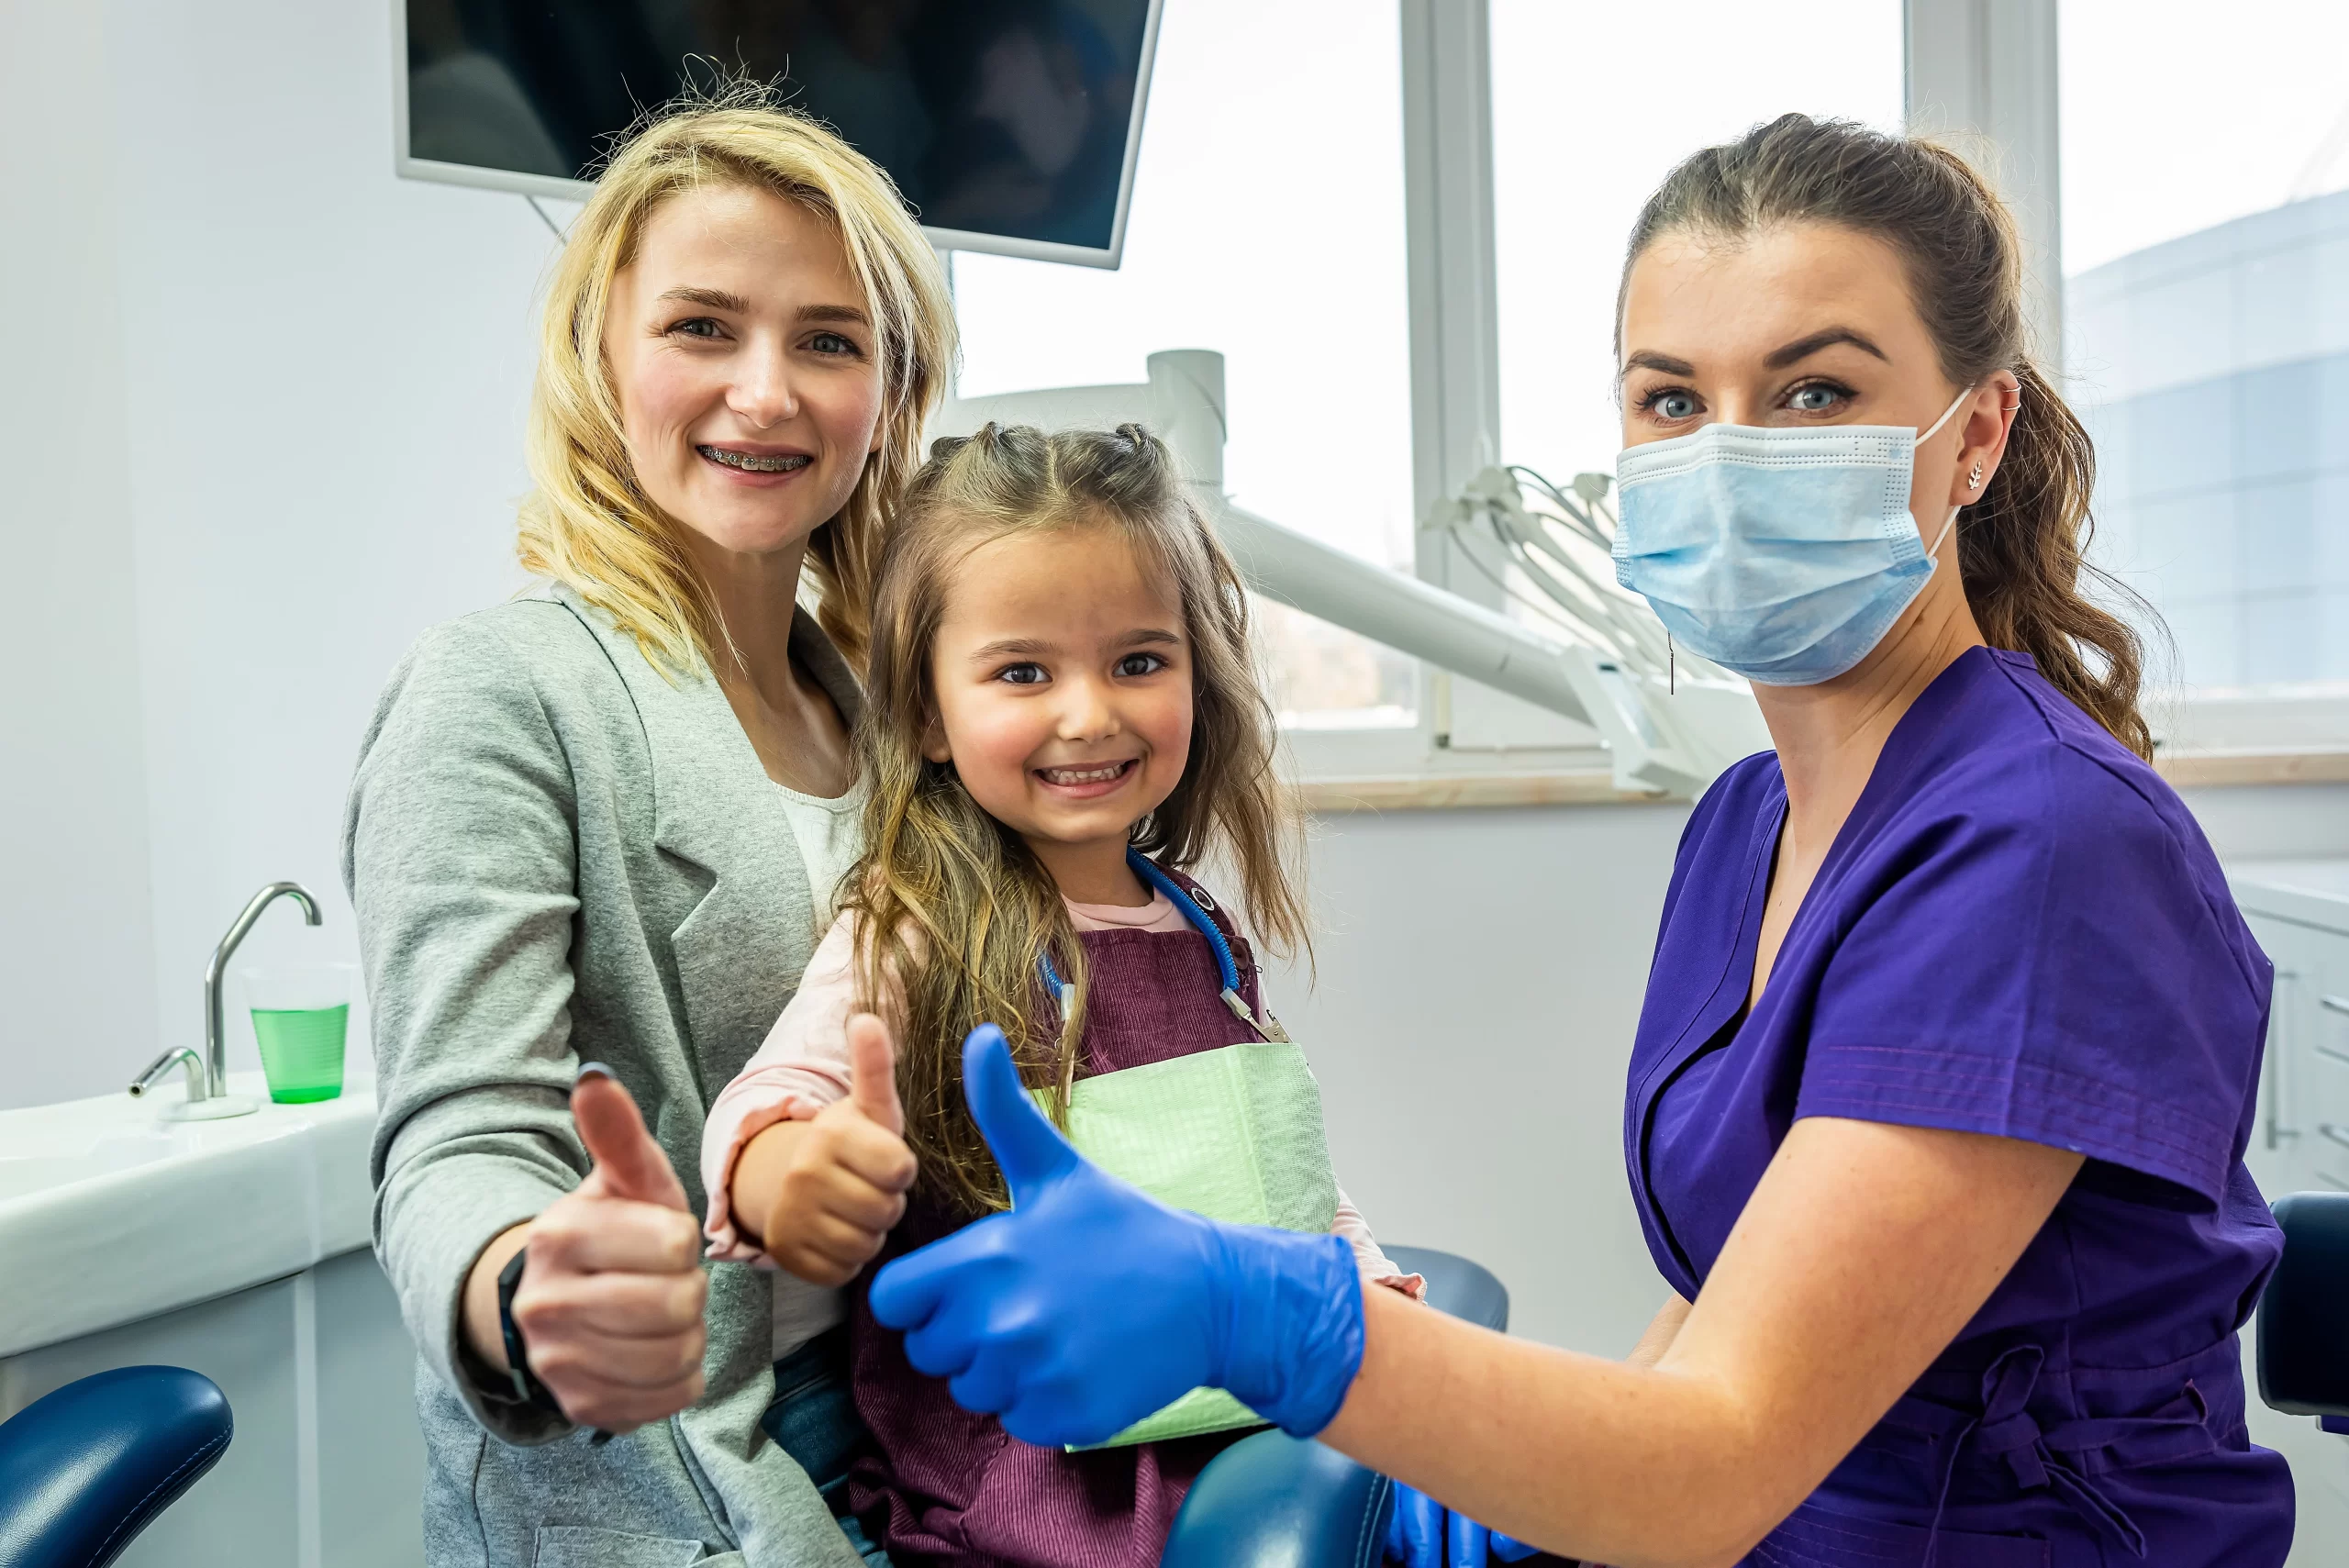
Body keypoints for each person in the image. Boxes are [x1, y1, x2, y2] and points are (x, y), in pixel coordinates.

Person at [854, 116, 2297, 1567]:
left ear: (1974, 434)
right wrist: (1529, 1480)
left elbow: (1716, 1464)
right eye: (1672, 401)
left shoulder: (2040, 851)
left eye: (1812, 392)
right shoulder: (1750, 820)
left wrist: (1271, 1320)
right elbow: (1734, 1310)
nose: (1727, 452)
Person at [343, 88, 954, 1565]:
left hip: (916, 1425)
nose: (767, 392)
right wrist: (526, 1286)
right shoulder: (497, 691)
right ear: (599, 359)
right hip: (679, 1473)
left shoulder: (884, 704)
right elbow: (459, 1137)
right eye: (702, 328)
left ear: (889, 395)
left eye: (829, 339)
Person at [696, 423, 1425, 1566]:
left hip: (1243, 1443)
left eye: (1139, 660)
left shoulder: (1199, 927)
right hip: (1029, 1508)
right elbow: (776, 1089)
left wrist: (1382, 1315)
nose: (1089, 714)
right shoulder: (917, 923)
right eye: (1023, 671)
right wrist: (790, 1169)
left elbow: (1285, 1179)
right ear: (930, 713)